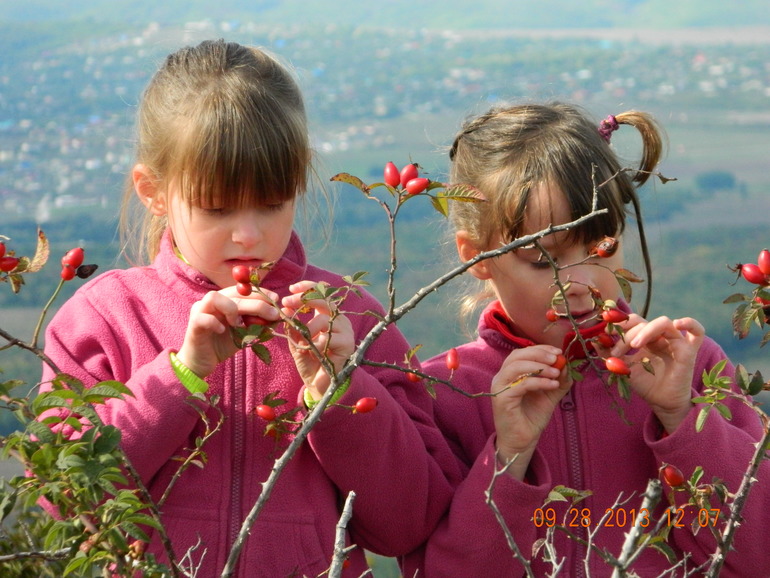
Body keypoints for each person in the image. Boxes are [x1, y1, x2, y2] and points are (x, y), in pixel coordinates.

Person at [40, 39, 459, 577]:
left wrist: (342, 390)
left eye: (272, 203)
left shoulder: (348, 319)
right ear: (153, 191)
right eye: (216, 207)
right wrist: (180, 377)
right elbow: (67, 500)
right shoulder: (106, 317)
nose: (248, 234)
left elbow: (408, 523)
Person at [402, 102, 770, 576]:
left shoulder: (690, 367)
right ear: (478, 257)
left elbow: (758, 555)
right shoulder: (446, 393)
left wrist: (682, 417)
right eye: (542, 260)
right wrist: (509, 456)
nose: (578, 281)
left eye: (603, 249)